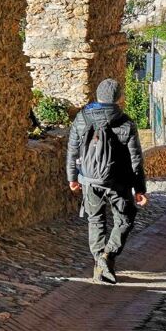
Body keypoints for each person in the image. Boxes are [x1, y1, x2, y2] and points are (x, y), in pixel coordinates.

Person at [66, 78, 149, 284]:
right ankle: (108, 255)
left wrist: (72, 177)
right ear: (119, 98)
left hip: (89, 180)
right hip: (119, 182)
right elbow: (136, 158)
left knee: (95, 220)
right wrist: (139, 188)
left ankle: (99, 264)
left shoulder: (82, 118)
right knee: (125, 218)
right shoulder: (126, 122)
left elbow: (73, 149)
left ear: (98, 95)